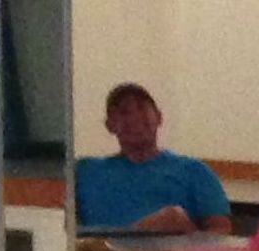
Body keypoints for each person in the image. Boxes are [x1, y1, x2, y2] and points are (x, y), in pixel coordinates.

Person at [71, 85, 232, 234]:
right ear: (109, 125)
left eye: (142, 108)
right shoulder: (84, 171)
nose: (134, 118)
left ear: (159, 117)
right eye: (124, 111)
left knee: (173, 217)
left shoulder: (195, 171)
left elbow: (220, 233)